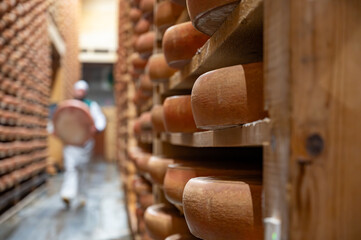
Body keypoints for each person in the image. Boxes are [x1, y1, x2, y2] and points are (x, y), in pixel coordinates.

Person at [60, 80, 106, 207]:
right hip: (70, 142)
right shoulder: (69, 105)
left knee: (82, 169)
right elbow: (60, 119)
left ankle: (82, 196)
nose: (79, 92)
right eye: (77, 90)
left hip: (85, 143)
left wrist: (96, 128)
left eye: (81, 90)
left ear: (85, 92)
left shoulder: (91, 105)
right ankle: (68, 194)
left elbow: (100, 120)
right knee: (70, 168)